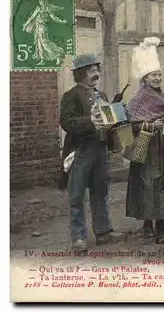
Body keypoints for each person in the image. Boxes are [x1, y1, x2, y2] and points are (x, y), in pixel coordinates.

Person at [59, 54, 125, 252]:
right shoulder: (71, 95)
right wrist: (89, 122)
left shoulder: (101, 95)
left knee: (100, 191)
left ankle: (103, 232)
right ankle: (78, 237)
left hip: (100, 149)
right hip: (80, 151)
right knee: (77, 194)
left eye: (97, 69)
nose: (96, 73)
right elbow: (66, 121)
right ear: (81, 73)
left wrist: (117, 117)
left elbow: (108, 120)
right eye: (91, 70)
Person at [124, 37, 164, 239]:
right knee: (147, 183)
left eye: (159, 74)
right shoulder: (138, 98)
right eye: (153, 75)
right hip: (146, 147)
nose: (157, 78)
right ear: (145, 78)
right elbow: (131, 122)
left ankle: (162, 220)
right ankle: (148, 222)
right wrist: (151, 125)